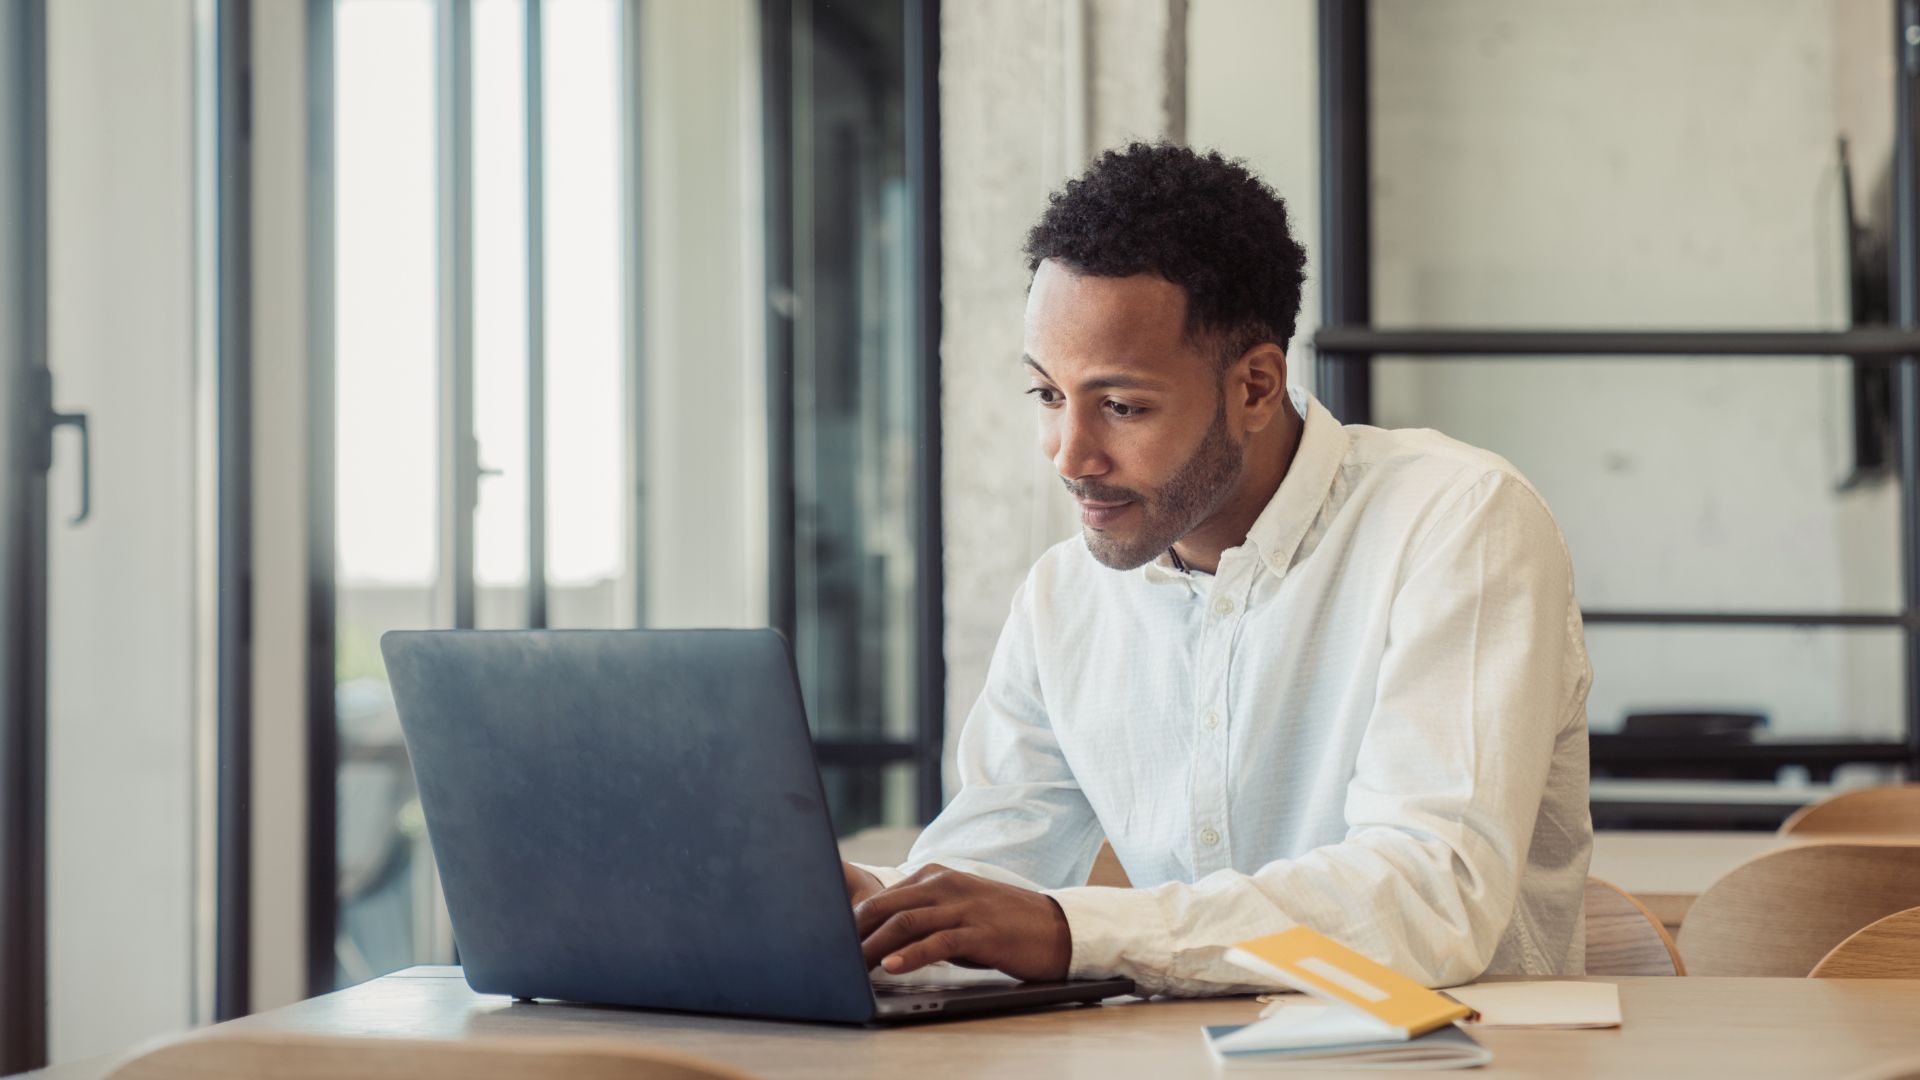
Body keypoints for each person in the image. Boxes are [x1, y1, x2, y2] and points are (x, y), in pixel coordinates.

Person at [844, 143, 1592, 996]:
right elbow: (988, 872)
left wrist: (1071, 929)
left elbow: (1432, 894)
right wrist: (887, 913)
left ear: (1257, 387)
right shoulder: (1064, 595)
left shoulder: (1460, 522)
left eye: (1122, 406)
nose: (1068, 454)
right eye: (1048, 396)